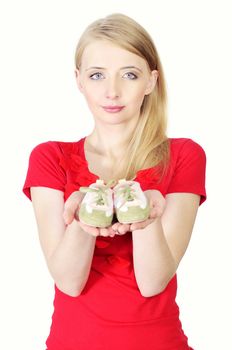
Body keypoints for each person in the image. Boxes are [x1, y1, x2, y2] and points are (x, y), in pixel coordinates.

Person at [23, 13, 206, 350]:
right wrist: (82, 222)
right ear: (78, 80)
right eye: (97, 75)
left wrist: (146, 216)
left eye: (129, 75)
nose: (112, 91)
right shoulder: (50, 158)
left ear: (150, 82)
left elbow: (153, 282)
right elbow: (69, 281)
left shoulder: (183, 156)